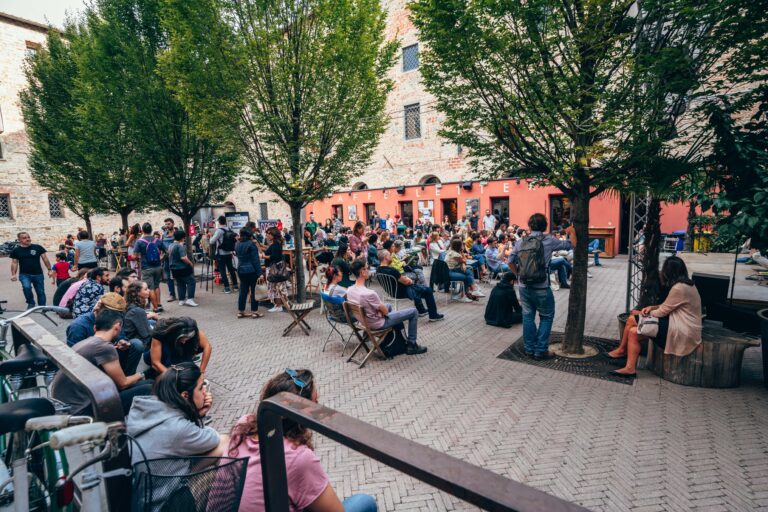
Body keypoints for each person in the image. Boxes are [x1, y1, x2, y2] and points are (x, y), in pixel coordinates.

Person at [228, 369, 377, 512]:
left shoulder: (244, 423)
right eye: (314, 403)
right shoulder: (298, 458)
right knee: (364, 502)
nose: (319, 408)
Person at [608, 257, 702, 378]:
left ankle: (622, 351)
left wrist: (641, 314)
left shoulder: (679, 288)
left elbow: (662, 312)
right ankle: (629, 368)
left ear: (669, 272)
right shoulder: (687, 285)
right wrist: (651, 308)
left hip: (681, 330)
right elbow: (669, 305)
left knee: (632, 319)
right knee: (633, 332)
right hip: (678, 324)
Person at [52, 309, 152, 415]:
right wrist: (142, 374)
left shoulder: (87, 342)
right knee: (150, 388)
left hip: (67, 404)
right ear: (118, 326)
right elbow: (123, 384)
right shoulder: (104, 347)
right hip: (81, 410)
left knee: (148, 383)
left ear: (95, 328)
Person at [127, 362, 227, 463]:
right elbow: (213, 439)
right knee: (224, 442)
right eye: (201, 388)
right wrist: (198, 417)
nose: (205, 391)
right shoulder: (178, 427)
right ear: (185, 395)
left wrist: (198, 415)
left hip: (144, 473)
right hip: (165, 478)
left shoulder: (152, 403)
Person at [510, 213, 574, 360]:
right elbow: (571, 245)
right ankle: (540, 351)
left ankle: (529, 349)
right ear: (545, 225)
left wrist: (518, 275)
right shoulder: (549, 240)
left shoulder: (521, 241)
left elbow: (510, 260)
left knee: (528, 317)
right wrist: (572, 232)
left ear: (530, 225)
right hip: (542, 286)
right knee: (546, 317)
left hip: (524, 286)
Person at [346, 259, 427, 355]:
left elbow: (382, 309)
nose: (369, 270)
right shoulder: (369, 293)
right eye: (367, 268)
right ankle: (412, 345)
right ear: (362, 272)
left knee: (388, 305)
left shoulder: (350, 290)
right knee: (413, 312)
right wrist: (381, 313)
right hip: (377, 324)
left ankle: (395, 337)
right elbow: (385, 312)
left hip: (364, 322)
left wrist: (381, 311)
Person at [377, 250, 444, 322]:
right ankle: (433, 316)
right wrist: (409, 280)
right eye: (389, 255)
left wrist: (406, 280)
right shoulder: (391, 270)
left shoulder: (378, 270)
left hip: (391, 292)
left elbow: (401, 280)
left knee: (417, 288)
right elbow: (406, 282)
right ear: (385, 257)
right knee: (428, 290)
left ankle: (421, 310)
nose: (391, 257)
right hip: (401, 292)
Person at [147, 317, 212, 379]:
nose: (184, 342)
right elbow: (155, 363)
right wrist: (175, 378)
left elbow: (208, 347)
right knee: (167, 367)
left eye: (187, 339)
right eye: (182, 339)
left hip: (176, 349)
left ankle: (184, 360)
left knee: (186, 368)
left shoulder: (191, 329)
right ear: (176, 334)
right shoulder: (160, 331)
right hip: (155, 354)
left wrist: (201, 372)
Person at [10, 232, 51, 309]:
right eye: (24, 238)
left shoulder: (37, 247)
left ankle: (42, 306)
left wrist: (49, 270)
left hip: (38, 274)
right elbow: (14, 263)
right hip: (24, 274)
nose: (28, 239)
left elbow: (45, 258)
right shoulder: (16, 250)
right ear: (19, 240)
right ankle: (31, 303)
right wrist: (13, 274)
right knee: (26, 288)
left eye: (28, 237)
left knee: (40, 291)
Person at [133, 223, 164, 312]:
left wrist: (138, 258)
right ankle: (159, 304)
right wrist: (161, 258)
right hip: (158, 266)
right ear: (151, 230)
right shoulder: (157, 240)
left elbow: (134, 256)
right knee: (157, 286)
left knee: (150, 288)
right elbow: (166, 251)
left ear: (142, 231)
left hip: (146, 267)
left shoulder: (139, 241)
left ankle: (155, 308)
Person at [235, 228, 263, 318]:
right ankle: (255, 311)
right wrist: (260, 273)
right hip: (251, 270)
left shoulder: (237, 244)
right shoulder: (251, 245)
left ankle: (241, 311)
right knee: (254, 290)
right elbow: (255, 260)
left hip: (240, 269)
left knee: (243, 290)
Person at [209, 215, 239, 294]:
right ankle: (235, 286)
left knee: (222, 270)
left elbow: (212, 241)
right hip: (229, 252)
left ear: (219, 222)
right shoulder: (229, 229)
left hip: (221, 253)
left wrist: (211, 237)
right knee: (231, 269)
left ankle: (227, 288)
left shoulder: (219, 231)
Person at [168, 230, 198, 307]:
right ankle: (190, 299)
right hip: (182, 268)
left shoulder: (171, 245)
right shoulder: (179, 246)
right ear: (182, 238)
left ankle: (181, 300)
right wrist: (190, 263)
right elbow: (183, 258)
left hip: (173, 268)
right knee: (191, 282)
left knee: (180, 284)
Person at [263, 227, 287, 313]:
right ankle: (278, 305)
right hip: (276, 268)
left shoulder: (276, 244)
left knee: (275, 287)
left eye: (269, 233)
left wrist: (263, 256)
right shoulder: (276, 243)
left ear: (273, 234)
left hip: (274, 269)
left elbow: (274, 257)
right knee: (276, 286)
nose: (267, 235)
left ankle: (278, 305)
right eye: (267, 233)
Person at [161, 218, 178, 303]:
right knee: (168, 277)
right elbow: (161, 245)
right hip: (166, 258)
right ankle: (172, 294)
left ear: (173, 224)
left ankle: (182, 293)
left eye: (169, 224)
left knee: (179, 276)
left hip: (176, 258)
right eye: (166, 224)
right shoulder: (164, 234)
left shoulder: (177, 233)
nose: (167, 226)